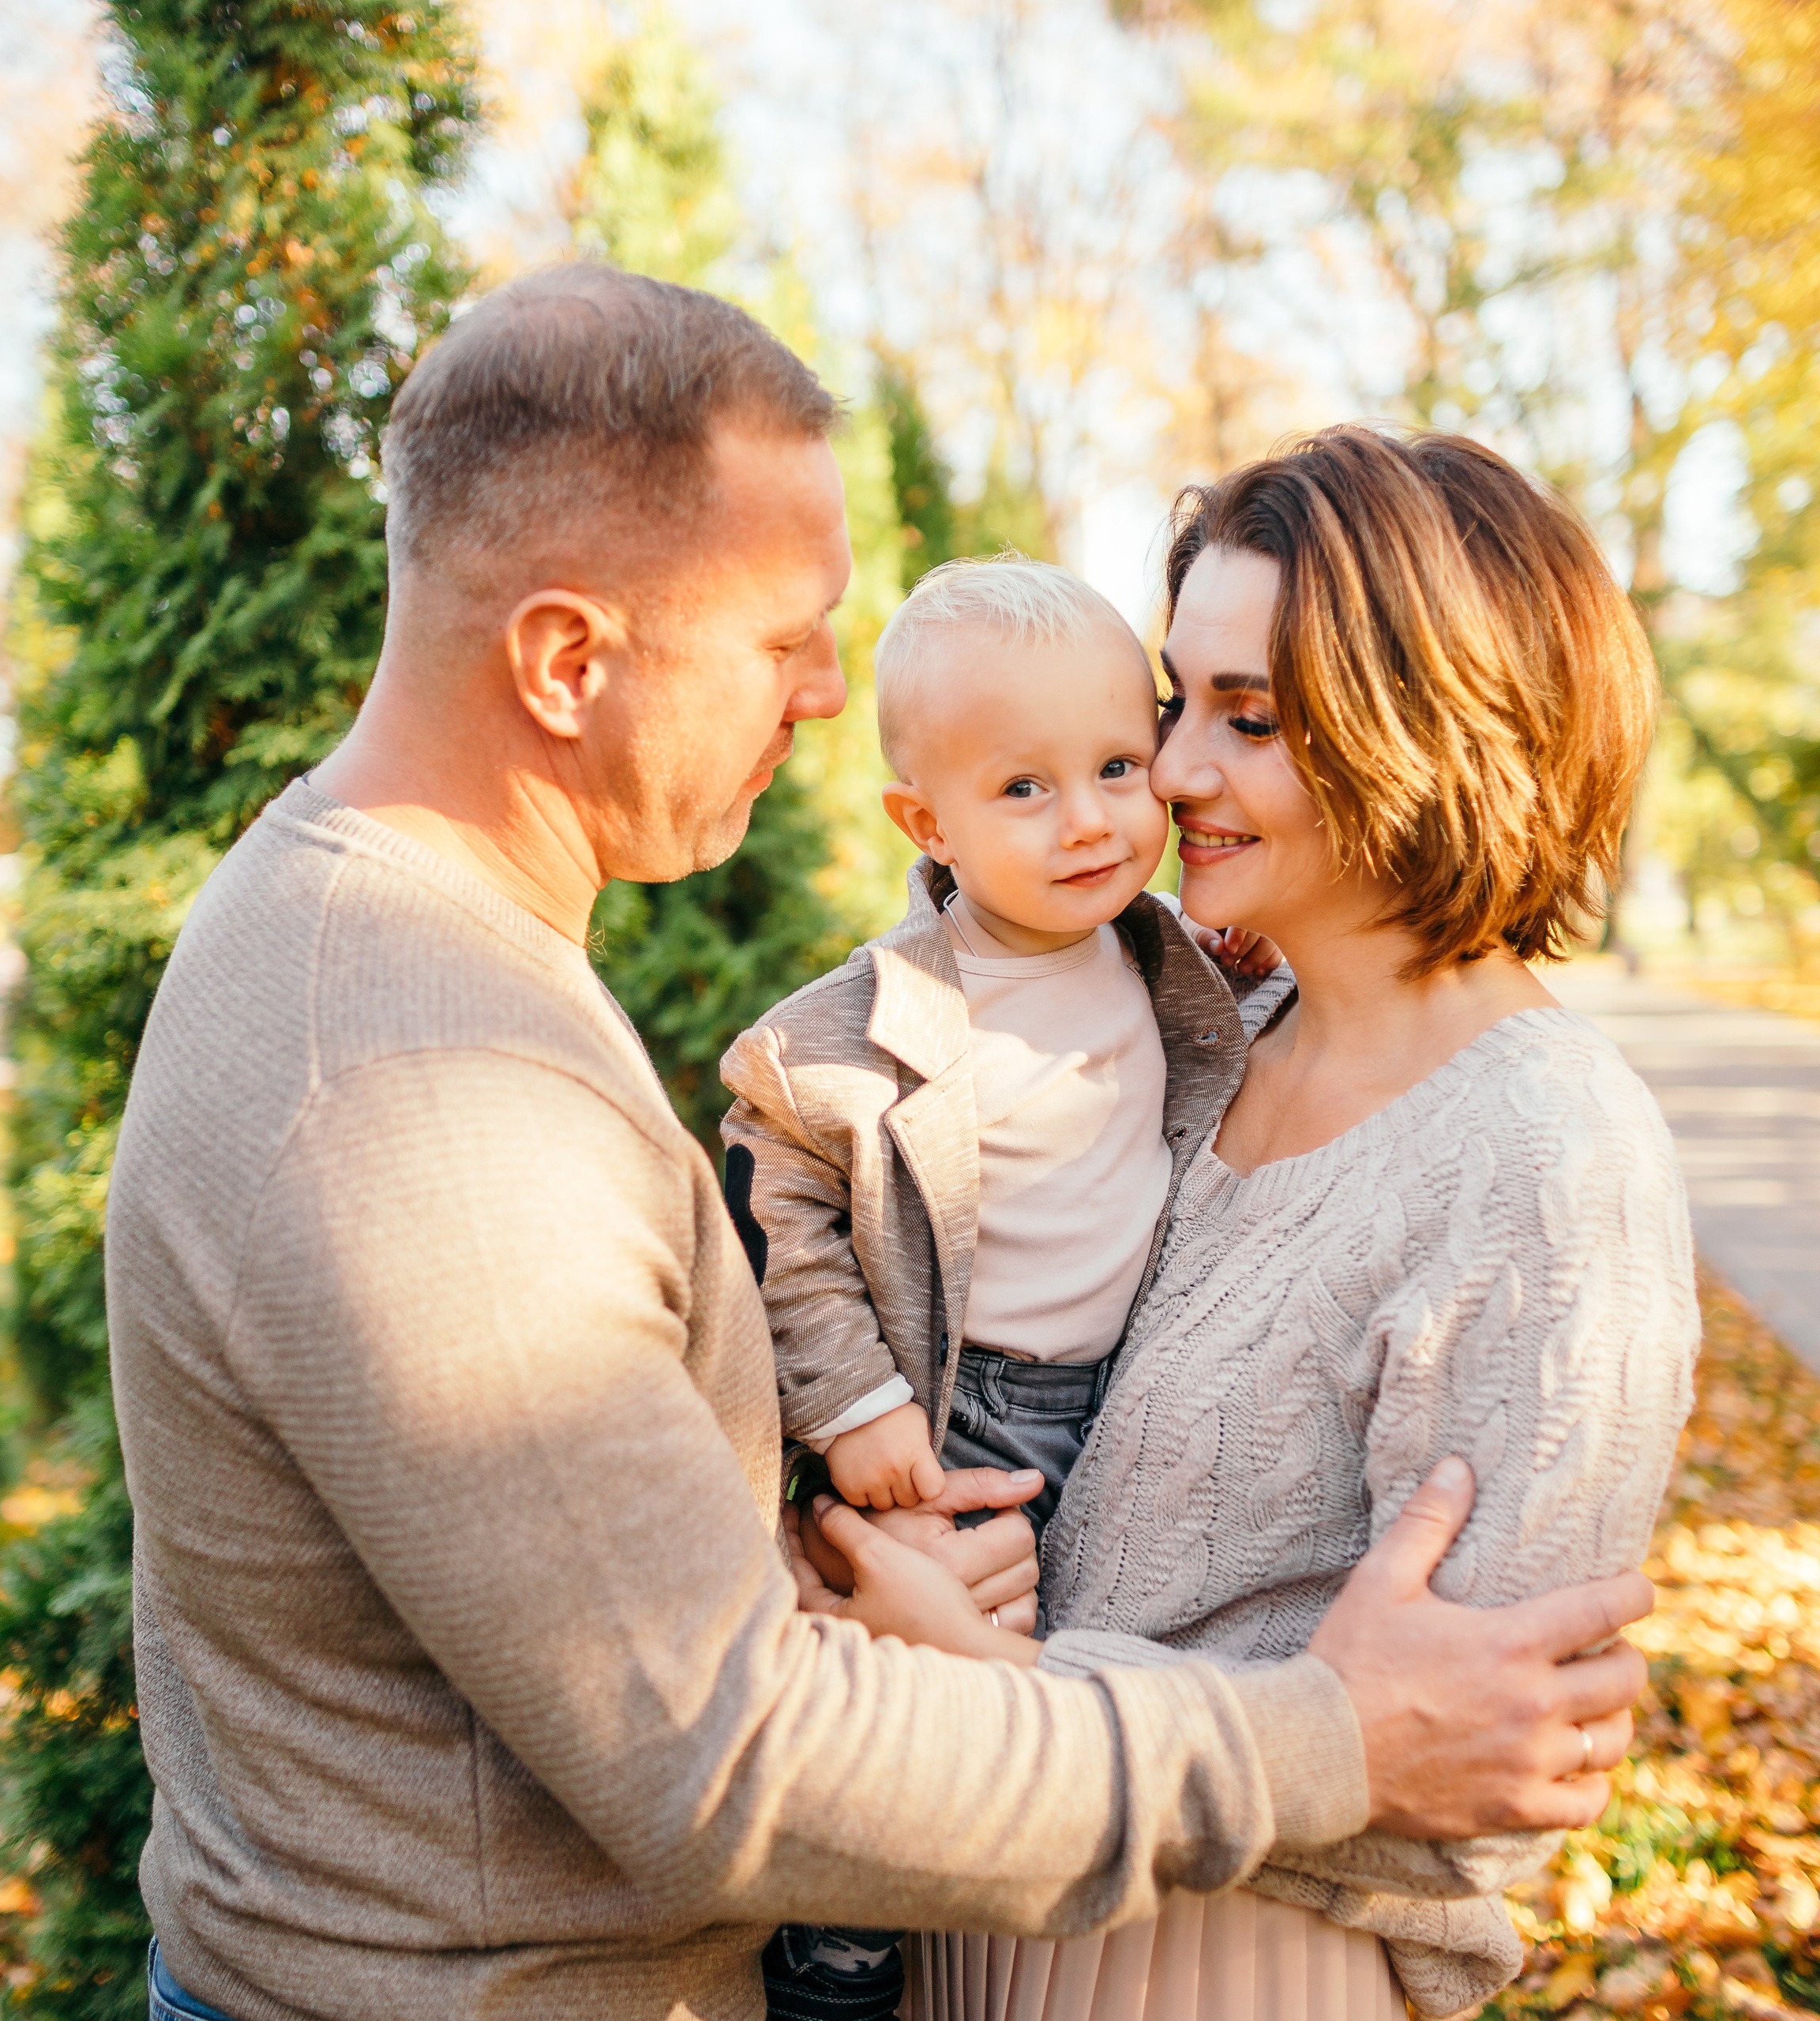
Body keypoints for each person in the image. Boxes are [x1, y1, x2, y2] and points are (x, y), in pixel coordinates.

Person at [107, 269, 1657, 2021]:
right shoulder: (415, 1089)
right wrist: (1308, 1732)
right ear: (564, 658)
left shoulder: (1243, 1037)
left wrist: (838, 1574)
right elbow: (718, 1750)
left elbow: (558, 1544)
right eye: (783, 638)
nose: (831, 698)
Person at [820, 427, 1695, 2021]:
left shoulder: (1542, 1156)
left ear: (1436, 728)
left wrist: (995, 1674)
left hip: (1207, 1966)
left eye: (1252, 720)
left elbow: (1470, 1799)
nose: (1168, 774)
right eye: (1176, 703)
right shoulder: (1207, 1026)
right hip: (973, 1894)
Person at [722, 556, 1289, 2021]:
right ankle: (830, 1966)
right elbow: (778, 1187)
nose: (1094, 818)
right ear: (930, 824)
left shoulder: (1171, 960)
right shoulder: (878, 1019)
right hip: (967, 1417)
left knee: (1053, 1725)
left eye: (1116, 764)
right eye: (1024, 790)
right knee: (923, 1729)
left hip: (1132, 1403)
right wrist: (850, 1392)